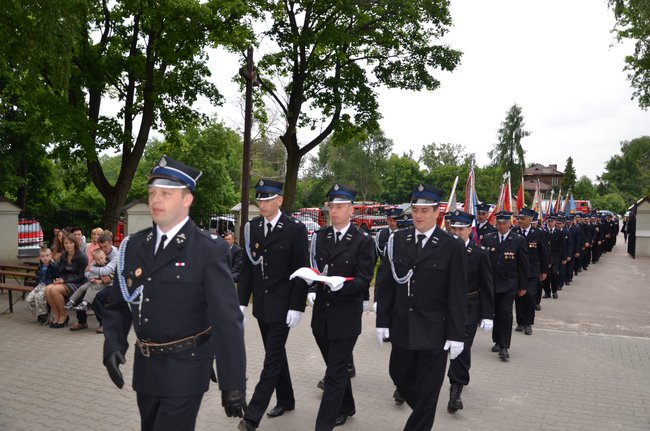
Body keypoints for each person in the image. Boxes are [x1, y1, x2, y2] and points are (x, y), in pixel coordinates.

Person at [102, 155, 247, 431]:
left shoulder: (208, 249)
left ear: (186, 200)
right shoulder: (134, 246)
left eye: (166, 194)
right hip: (146, 369)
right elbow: (119, 304)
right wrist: (113, 344)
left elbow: (227, 321)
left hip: (186, 367)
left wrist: (233, 383)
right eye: (153, 192)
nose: (156, 200)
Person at [376, 183, 467, 430]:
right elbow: (385, 284)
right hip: (403, 327)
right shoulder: (398, 240)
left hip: (435, 332)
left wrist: (456, 335)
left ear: (437, 212)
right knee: (398, 373)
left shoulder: (451, 245)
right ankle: (425, 409)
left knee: (428, 391)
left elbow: (457, 293)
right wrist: (382, 321)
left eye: (425, 211)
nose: (418, 215)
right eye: (415, 209)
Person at [237, 179, 309, 431]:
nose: (262, 203)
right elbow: (247, 269)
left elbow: (302, 269)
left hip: (283, 306)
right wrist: (241, 304)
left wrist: (297, 305)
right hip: (263, 306)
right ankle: (287, 399)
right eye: (259, 198)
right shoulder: (251, 228)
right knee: (275, 355)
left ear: (279, 200)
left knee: (272, 359)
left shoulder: (294, 228)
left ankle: (252, 416)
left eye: (267, 199)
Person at [309, 183, 375, 430]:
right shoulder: (320, 237)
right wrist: (312, 284)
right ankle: (348, 406)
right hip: (322, 318)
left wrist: (341, 286)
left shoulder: (362, 242)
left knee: (335, 373)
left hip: (346, 318)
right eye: (331, 207)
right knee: (335, 367)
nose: (334, 212)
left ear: (351, 209)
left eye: (339, 207)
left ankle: (323, 423)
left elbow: (363, 280)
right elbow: (316, 268)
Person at [446, 210, 494, 414]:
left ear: (469, 229)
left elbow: (487, 285)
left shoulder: (479, 253)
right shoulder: (442, 250)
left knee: (462, 350)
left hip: (469, 308)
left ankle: (456, 390)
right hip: (444, 309)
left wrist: (487, 314)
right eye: (454, 228)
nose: (457, 232)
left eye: (461, 229)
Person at [482, 211, 528, 360]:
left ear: (510, 223)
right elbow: (482, 263)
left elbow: (523, 265)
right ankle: (496, 341)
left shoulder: (518, 240)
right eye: (499, 223)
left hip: (509, 284)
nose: (501, 226)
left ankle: (504, 346)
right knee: (495, 313)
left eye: (504, 223)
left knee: (506, 313)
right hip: (492, 284)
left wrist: (523, 286)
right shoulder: (489, 238)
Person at [70, 233, 119, 331]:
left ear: (111, 243)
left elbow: (107, 270)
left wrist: (92, 269)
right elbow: (86, 274)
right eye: (101, 247)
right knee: (82, 292)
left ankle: (104, 323)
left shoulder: (117, 254)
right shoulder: (98, 253)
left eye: (105, 246)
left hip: (114, 284)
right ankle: (82, 322)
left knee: (96, 297)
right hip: (98, 282)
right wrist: (93, 274)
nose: (103, 249)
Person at [513, 208, 548, 336]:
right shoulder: (514, 232)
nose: (519, 221)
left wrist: (544, 270)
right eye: (518, 218)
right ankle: (520, 322)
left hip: (533, 271)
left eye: (522, 218)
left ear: (530, 219)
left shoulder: (538, 233)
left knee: (530, 296)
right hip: (517, 271)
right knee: (519, 296)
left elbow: (544, 253)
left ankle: (528, 323)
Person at [43, 232, 88, 328]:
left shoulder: (82, 257)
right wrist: (59, 279)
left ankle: (64, 316)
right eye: (66, 243)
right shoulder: (64, 255)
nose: (68, 245)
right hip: (66, 281)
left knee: (55, 290)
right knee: (47, 289)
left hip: (78, 284)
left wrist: (64, 281)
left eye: (71, 243)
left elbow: (81, 277)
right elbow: (62, 272)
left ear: (75, 244)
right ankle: (57, 315)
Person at [25, 246, 59, 324]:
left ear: (51, 256)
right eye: (42, 256)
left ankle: (44, 315)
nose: (45, 258)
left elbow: (57, 276)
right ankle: (39, 313)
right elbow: (37, 276)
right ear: (39, 257)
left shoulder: (54, 266)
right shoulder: (40, 266)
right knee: (29, 299)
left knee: (39, 296)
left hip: (48, 285)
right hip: (39, 285)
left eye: (47, 256)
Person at [542, 214, 566, 299]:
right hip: (545, 257)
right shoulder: (543, 232)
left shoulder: (560, 233)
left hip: (556, 256)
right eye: (548, 221)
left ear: (555, 222)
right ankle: (547, 292)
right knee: (546, 275)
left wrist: (564, 258)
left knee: (555, 274)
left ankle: (554, 291)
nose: (550, 223)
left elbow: (563, 246)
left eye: (552, 221)